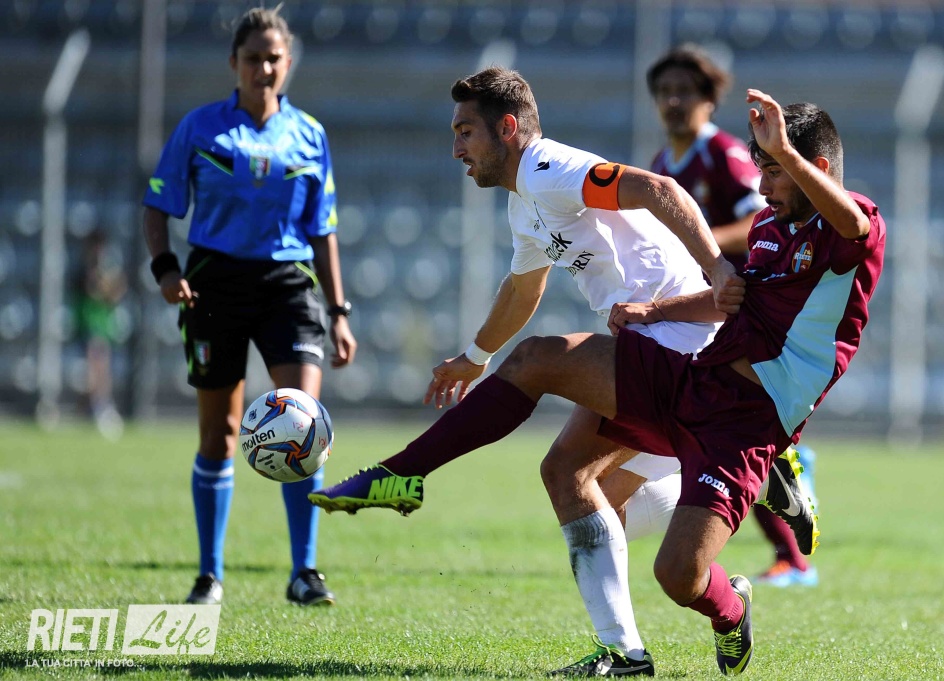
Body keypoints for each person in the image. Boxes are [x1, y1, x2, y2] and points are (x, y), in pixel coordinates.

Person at [317, 69, 883, 674]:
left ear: (506, 128)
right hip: (698, 377)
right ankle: (630, 648)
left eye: (465, 132)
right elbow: (528, 289)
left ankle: (403, 473)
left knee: (668, 564)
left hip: (725, 394)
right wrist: (478, 356)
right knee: (572, 477)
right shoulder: (765, 229)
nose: (456, 148)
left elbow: (674, 193)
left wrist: (732, 236)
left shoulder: (853, 226)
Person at [142, 6, 356, 607]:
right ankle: (209, 575)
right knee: (221, 433)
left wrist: (339, 311)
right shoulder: (200, 128)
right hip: (215, 283)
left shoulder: (309, 134)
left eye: (274, 58)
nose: (264, 68)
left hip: (289, 285)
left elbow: (323, 230)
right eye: (254, 58)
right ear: (233, 62)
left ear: (287, 64)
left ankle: (304, 571)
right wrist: (166, 269)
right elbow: (157, 205)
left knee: (304, 422)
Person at [609, 43, 820, 589]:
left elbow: (761, 220)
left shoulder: (725, 154)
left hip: (741, 303)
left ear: (709, 100)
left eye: (685, 91)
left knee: (726, 430)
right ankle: (782, 473)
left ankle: (792, 552)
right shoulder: (662, 164)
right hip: (697, 302)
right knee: (715, 431)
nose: (673, 101)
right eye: (664, 92)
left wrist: (696, 242)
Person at [73, 229, 128, 441]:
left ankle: (91, 409)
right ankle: (100, 408)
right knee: (96, 368)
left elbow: (114, 294)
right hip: (88, 324)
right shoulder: (84, 269)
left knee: (99, 369)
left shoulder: (108, 268)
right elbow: (91, 291)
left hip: (103, 325)